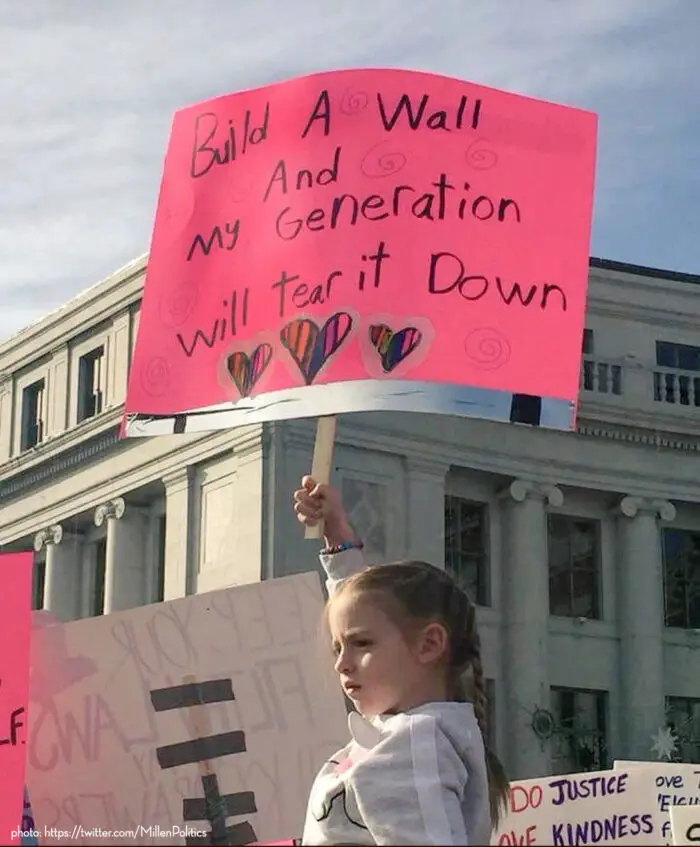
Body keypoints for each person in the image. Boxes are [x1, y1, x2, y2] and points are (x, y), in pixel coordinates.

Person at [293, 475, 509, 846]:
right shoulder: (413, 732)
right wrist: (337, 537)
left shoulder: (414, 743)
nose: (341, 664)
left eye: (360, 644)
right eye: (337, 648)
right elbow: (366, 609)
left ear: (428, 645)